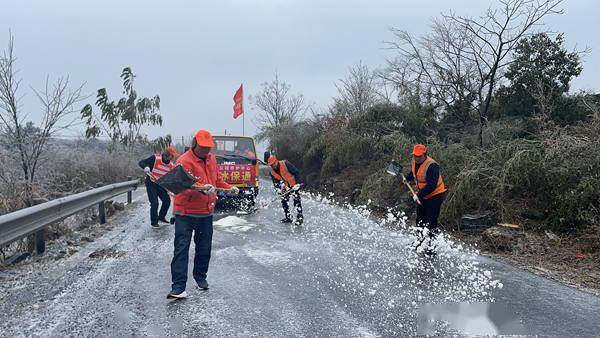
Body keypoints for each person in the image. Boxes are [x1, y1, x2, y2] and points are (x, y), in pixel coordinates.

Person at [167, 130, 239, 299]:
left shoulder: (212, 159)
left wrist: (230, 187)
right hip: (185, 212)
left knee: (204, 248)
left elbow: (217, 179)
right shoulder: (183, 161)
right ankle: (178, 287)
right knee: (181, 248)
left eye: (208, 148)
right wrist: (202, 188)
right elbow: (181, 186)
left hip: (206, 212)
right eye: (203, 147)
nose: (206, 151)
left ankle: (200, 278)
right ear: (194, 144)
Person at [404, 144, 447, 254]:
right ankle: (420, 241)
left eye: (419, 156)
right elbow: (414, 174)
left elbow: (432, 185)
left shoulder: (432, 166)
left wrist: (419, 195)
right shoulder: (415, 163)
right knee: (420, 219)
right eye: (415, 156)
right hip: (423, 196)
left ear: (424, 155)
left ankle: (432, 246)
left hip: (435, 196)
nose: (416, 158)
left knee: (431, 221)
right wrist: (407, 178)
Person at [138, 147, 178, 228]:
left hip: (161, 185)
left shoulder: (171, 165)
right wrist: (145, 167)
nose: (173, 157)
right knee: (154, 203)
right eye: (172, 156)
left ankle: (161, 217)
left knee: (167, 201)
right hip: (151, 183)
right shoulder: (155, 158)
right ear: (167, 154)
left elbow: (170, 179)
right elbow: (141, 162)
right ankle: (154, 222)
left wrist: (169, 189)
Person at [267, 155, 304, 225]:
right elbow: (275, 182)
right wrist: (278, 189)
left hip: (294, 184)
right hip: (285, 187)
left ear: (276, 161)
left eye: (273, 164)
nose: (273, 166)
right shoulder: (272, 172)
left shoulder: (285, 164)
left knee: (297, 200)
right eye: (271, 165)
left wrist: (298, 183)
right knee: (284, 201)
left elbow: (297, 172)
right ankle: (288, 217)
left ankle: (300, 217)